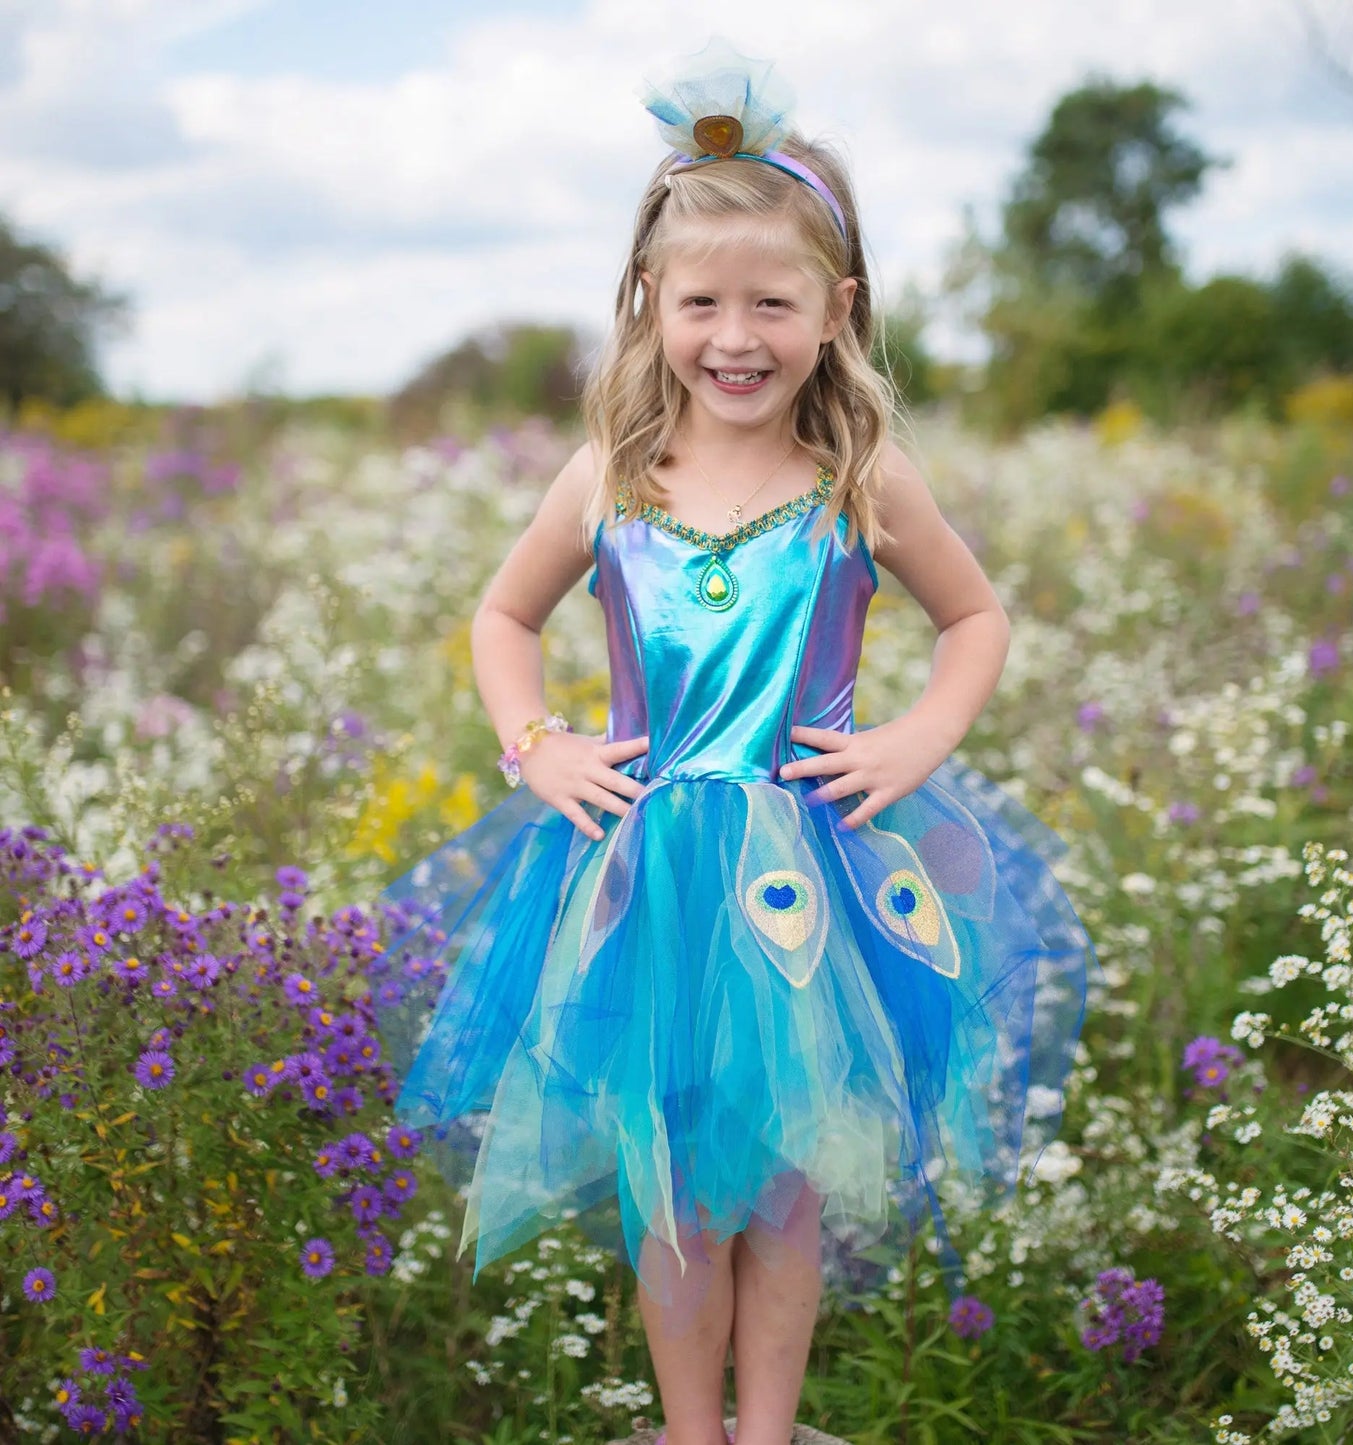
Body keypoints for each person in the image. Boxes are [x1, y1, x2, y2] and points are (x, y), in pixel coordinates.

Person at [370, 38, 1093, 1445]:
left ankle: (766, 1434)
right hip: (644, 873)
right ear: (650, 304)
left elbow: (976, 616)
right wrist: (535, 744)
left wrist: (919, 737)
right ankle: (688, 1434)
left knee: (783, 1186)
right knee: (674, 1183)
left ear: (837, 309)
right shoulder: (609, 477)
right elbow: (501, 616)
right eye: (701, 301)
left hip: (813, 880)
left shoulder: (858, 479)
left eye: (773, 301)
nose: (735, 335)